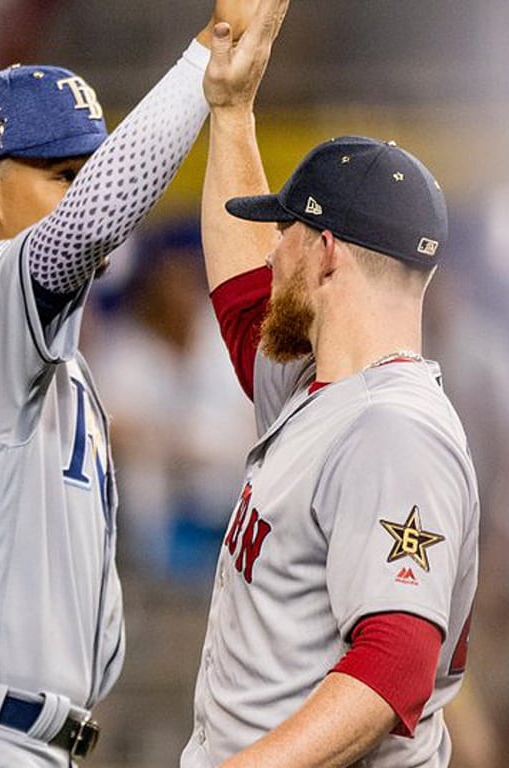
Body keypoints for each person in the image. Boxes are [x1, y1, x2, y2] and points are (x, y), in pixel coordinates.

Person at [0, 2, 283, 765]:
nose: (84, 193)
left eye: (88, 172)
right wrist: (205, 61)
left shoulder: (52, 359)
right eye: (62, 176)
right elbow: (90, 224)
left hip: (6, 735)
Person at [183, 8, 477, 767]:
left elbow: (395, 667)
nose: (271, 253)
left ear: (326, 253)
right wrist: (230, 111)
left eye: (284, 232)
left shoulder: (393, 427)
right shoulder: (322, 393)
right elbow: (248, 306)